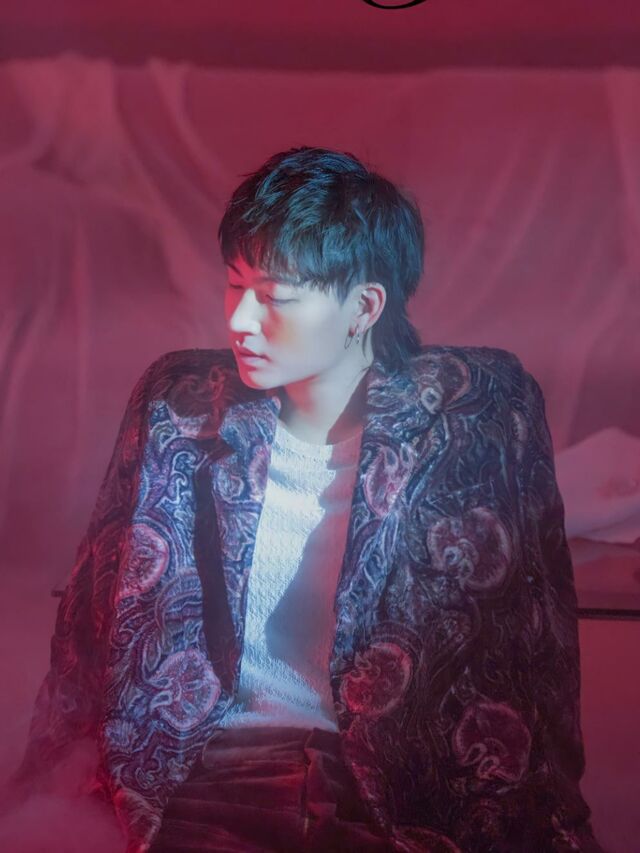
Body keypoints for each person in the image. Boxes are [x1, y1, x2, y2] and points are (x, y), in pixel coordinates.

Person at [10, 147, 602, 852]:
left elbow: (533, 648)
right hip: (207, 776)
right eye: (234, 286)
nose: (240, 320)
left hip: (391, 791)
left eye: (275, 297)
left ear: (364, 307)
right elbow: (90, 626)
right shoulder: (179, 407)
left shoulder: (471, 417)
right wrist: (43, 796)